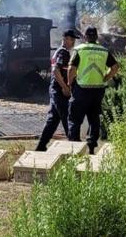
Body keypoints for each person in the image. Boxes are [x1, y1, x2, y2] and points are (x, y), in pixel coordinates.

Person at [67, 26, 119, 154]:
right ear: (96, 37)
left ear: (85, 37)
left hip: (81, 89)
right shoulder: (104, 51)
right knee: (94, 118)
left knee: (75, 118)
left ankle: (74, 146)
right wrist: (106, 78)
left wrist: (69, 83)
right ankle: (91, 147)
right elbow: (115, 66)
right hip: (98, 90)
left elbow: (71, 69)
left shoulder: (79, 50)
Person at [35, 29, 79, 151]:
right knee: (67, 118)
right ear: (65, 39)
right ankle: (74, 147)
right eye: (72, 39)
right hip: (59, 91)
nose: (74, 42)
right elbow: (55, 70)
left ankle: (41, 146)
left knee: (52, 120)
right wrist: (65, 87)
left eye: (74, 40)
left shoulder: (59, 52)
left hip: (55, 89)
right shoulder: (63, 53)